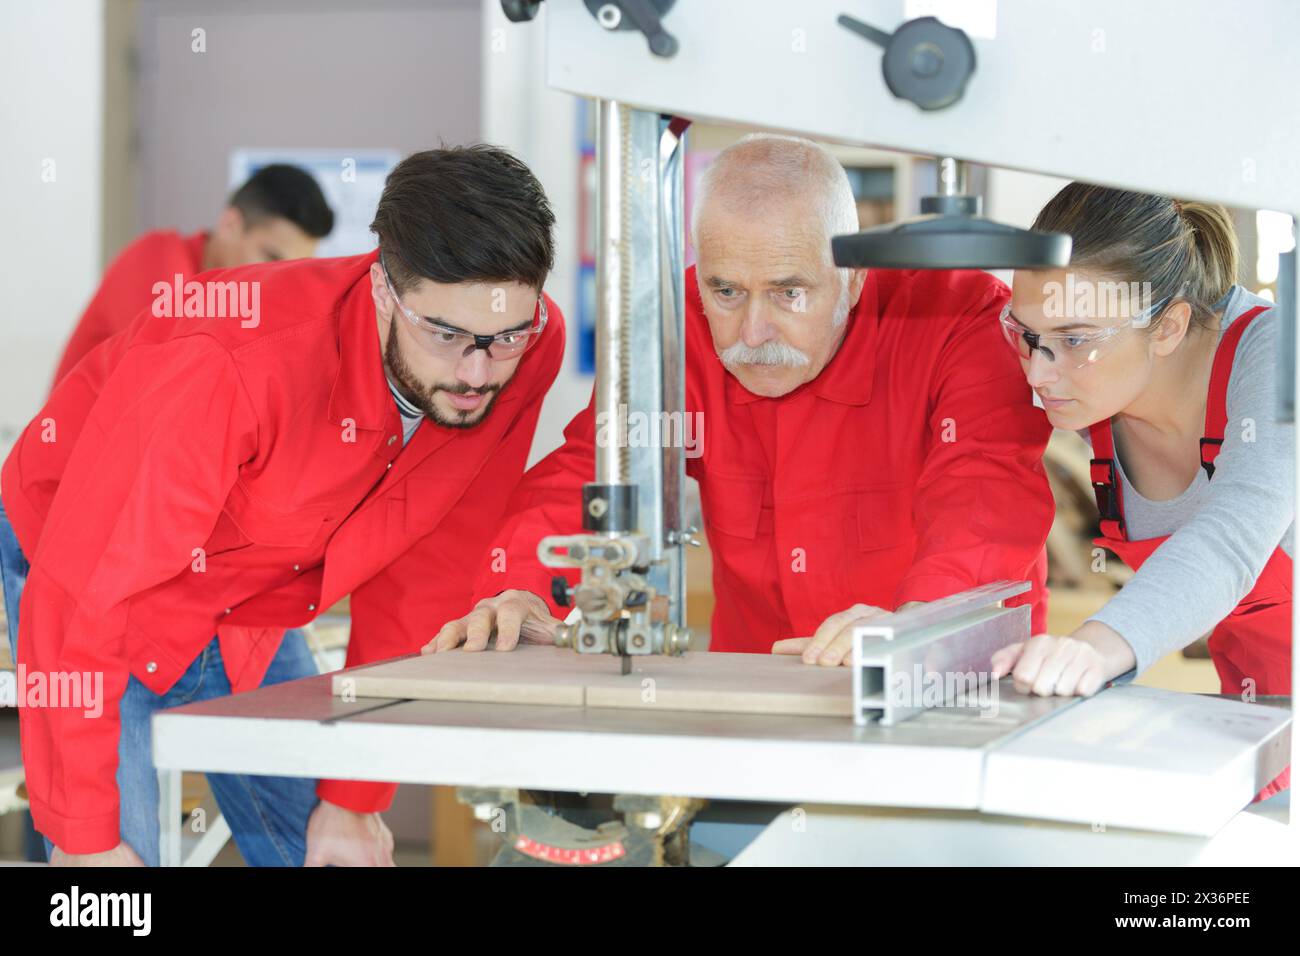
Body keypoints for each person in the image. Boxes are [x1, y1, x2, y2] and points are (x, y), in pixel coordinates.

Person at [0, 145, 564, 865]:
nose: (477, 372)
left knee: (329, 850)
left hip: (252, 591)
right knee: (111, 885)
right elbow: (86, 597)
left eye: (505, 336)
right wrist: (84, 840)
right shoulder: (231, 364)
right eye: (445, 335)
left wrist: (353, 798)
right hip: (87, 571)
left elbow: (430, 566)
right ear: (382, 289)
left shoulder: (526, 349)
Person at [428, 134, 1054, 667]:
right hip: (761, 686)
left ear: (854, 275)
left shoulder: (956, 316)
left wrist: (922, 627)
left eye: (789, 293)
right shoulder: (679, 326)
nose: (752, 334)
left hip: (945, 680)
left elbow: (983, 490)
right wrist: (523, 591)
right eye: (726, 290)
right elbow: (597, 470)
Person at [988, 185, 1291, 795]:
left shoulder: (1281, 351)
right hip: (1255, 723)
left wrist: (1099, 646)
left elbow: (1232, 537)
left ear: (1169, 326)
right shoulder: (1091, 390)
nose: (1039, 371)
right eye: (1026, 334)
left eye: (1075, 339)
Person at [50, 163, 335, 388]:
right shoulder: (159, 260)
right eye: (272, 257)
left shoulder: (237, 298)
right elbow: (171, 387)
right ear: (230, 224)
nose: (279, 279)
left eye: (293, 269)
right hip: (75, 454)